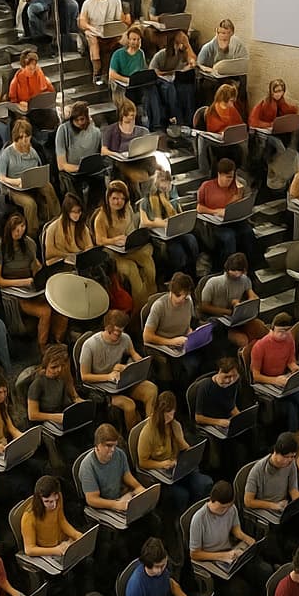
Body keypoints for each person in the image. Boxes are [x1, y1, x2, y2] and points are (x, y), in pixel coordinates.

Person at [0, 211, 63, 349]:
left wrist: (42, 274)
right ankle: (42, 346)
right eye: (16, 229)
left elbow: (35, 264)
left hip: (31, 286)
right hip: (14, 291)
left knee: (58, 302)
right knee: (45, 311)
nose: (20, 231)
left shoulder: (29, 243)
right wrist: (22, 282)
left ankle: (57, 339)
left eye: (22, 227)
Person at [79, 309, 158, 428]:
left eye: (121, 331)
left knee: (151, 389)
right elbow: (84, 376)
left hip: (121, 380)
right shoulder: (90, 345)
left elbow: (133, 353)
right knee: (130, 405)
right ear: (108, 328)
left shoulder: (125, 338)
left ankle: (150, 428)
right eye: (117, 332)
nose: (119, 335)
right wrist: (108, 376)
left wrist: (138, 363)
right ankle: (133, 435)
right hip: (103, 388)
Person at [136, 390, 213, 508]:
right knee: (182, 495)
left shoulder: (175, 425)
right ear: (158, 412)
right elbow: (143, 462)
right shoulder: (148, 432)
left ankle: (195, 513)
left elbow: (184, 448)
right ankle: (178, 519)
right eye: (167, 414)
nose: (170, 417)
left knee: (204, 483)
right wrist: (161, 464)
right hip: (161, 473)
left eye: (172, 413)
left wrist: (182, 442)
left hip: (177, 467)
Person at [96, 177, 156, 311]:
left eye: (122, 199)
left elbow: (130, 228)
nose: (119, 202)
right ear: (108, 198)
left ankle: (152, 298)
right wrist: (115, 239)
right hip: (112, 251)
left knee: (148, 263)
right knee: (132, 270)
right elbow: (99, 240)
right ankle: (140, 309)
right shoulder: (101, 217)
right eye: (115, 198)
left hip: (127, 247)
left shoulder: (127, 208)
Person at [0, 118, 60, 233]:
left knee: (49, 189)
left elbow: (39, 167)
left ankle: (55, 221)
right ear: (15, 138)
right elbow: (1, 177)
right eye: (21, 137)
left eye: (27, 137)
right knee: (30, 204)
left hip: (31, 183)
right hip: (15, 188)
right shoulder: (7, 154)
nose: (24, 140)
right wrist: (16, 181)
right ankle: (33, 233)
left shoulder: (32, 151)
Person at [244, 433, 299, 535]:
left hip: (283, 506)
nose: (290, 460)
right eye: (286, 457)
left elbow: (292, 489)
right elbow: (248, 501)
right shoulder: (258, 470)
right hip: (267, 508)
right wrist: (274, 506)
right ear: (276, 452)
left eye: (293, 456)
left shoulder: (291, 464)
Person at [143, 272, 200, 378]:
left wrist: (190, 332)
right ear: (171, 291)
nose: (181, 300)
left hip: (181, 342)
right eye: (178, 295)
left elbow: (187, 323)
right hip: (162, 344)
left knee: (195, 364)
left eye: (185, 296)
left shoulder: (188, 302)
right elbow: (147, 336)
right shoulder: (159, 306)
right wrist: (171, 341)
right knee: (169, 372)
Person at [78, 0, 124, 82]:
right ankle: (96, 72)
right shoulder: (88, 3)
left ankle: (114, 72)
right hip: (94, 30)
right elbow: (82, 22)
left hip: (110, 30)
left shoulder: (115, 0)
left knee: (125, 38)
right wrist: (90, 27)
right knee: (92, 40)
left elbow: (119, 19)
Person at [151, 29, 197, 129]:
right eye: (178, 43)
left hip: (175, 79)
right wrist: (170, 72)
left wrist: (187, 45)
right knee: (170, 88)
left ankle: (189, 122)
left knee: (187, 89)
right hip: (160, 80)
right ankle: (176, 119)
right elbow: (153, 72)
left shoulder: (181, 53)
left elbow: (192, 60)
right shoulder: (161, 55)